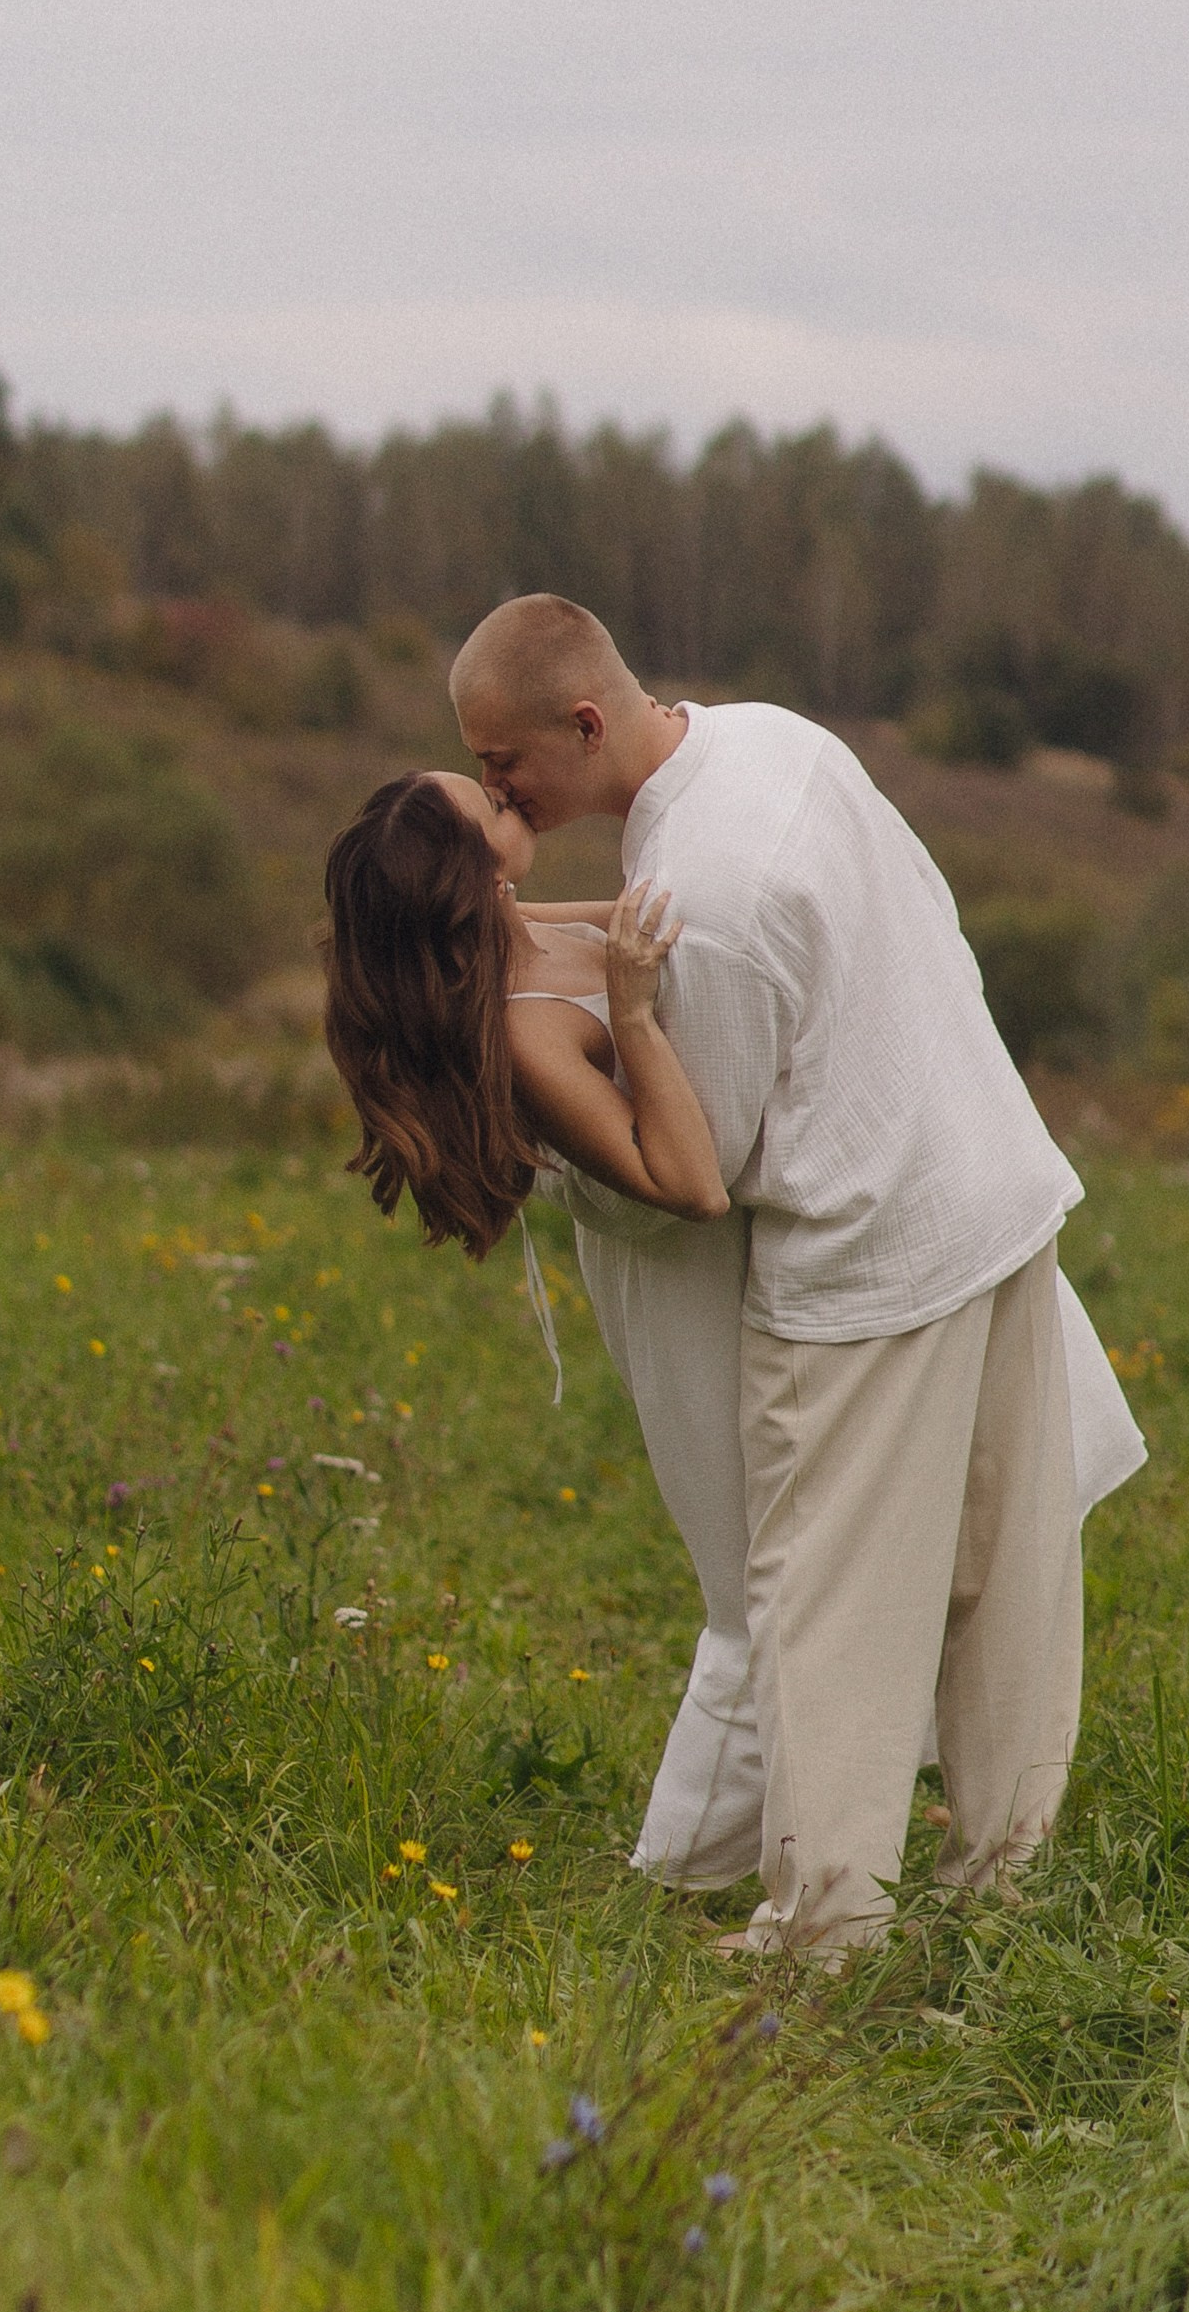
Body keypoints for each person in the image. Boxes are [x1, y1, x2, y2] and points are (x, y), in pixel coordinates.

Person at [447, 592, 1143, 1963]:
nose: (496, 789)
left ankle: (821, 1931)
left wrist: (557, 1163)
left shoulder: (702, 893)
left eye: (500, 761)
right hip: (991, 1178)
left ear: (580, 723)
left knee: (823, 1605)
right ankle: (1003, 1887)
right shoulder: (776, 740)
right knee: (1007, 1575)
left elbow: (700, 1159)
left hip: (866, 1257)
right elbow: (927, 911)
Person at [322, 767, 768, 1884]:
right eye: (484, 803)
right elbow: (689, 1185)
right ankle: (679, 1870)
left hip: (740, 1276)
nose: (501, 790)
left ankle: (851, 1782)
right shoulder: (524, 1032)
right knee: (750, 1575)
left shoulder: (521, 924)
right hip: (680, 1290)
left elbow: (670, 913)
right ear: (474, 873)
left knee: (798, 1534)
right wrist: (632, 1012)